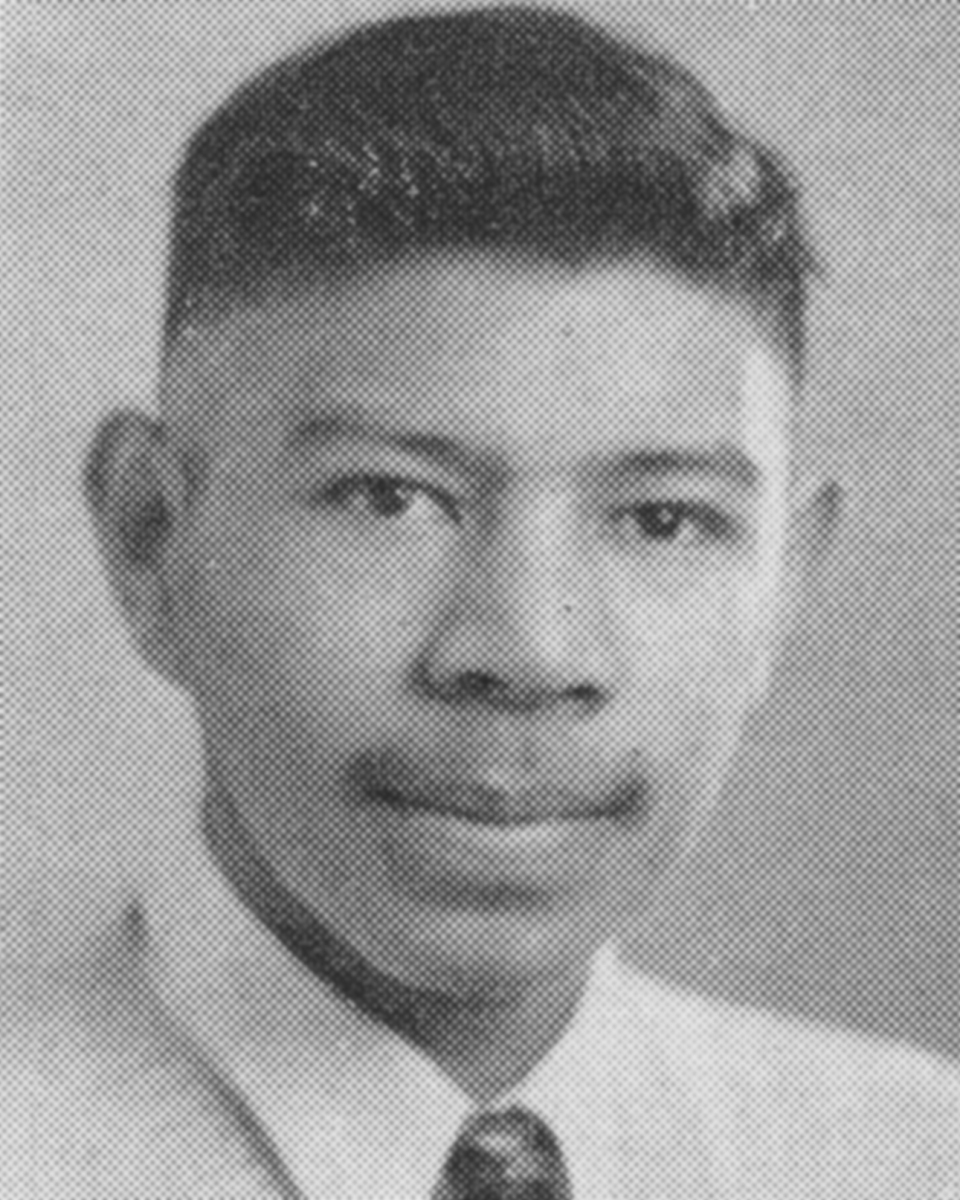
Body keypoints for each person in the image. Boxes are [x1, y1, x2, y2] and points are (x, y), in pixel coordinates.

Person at [4, 6, 957, 1198]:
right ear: (151, 538)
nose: (529, 649)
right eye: (391, 497)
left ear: (780, 587)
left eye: (663, 519)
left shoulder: (912, 1153)